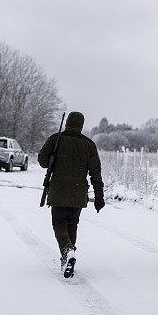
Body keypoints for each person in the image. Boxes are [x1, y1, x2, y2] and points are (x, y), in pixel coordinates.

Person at [38, 111, 104, 278]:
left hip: (59, 189)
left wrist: (53, 157)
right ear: (81, 125)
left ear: (67, 122)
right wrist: (99, 196)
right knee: (72, 224)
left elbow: (42, 161)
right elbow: (96, 173)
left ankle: (67, 251)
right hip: (78, 191)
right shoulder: (89, 144)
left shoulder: (56, 139)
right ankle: (67, 257)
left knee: (59, 224)